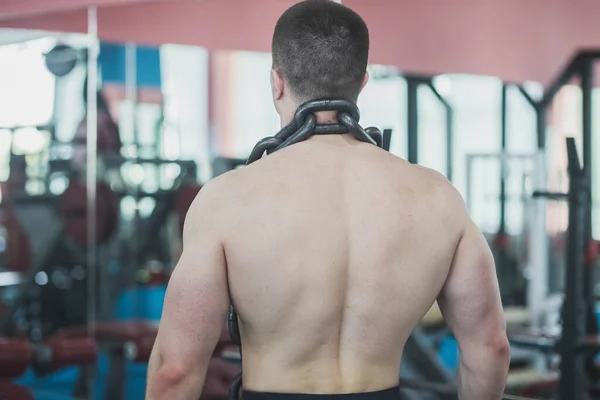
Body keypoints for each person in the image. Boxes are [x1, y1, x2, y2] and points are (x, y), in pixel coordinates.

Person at [145, 1, 510, 399]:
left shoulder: (225, 201)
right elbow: (490, 348)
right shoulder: (439, 199)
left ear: (277, 82)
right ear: (362, 82)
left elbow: (176, 370)